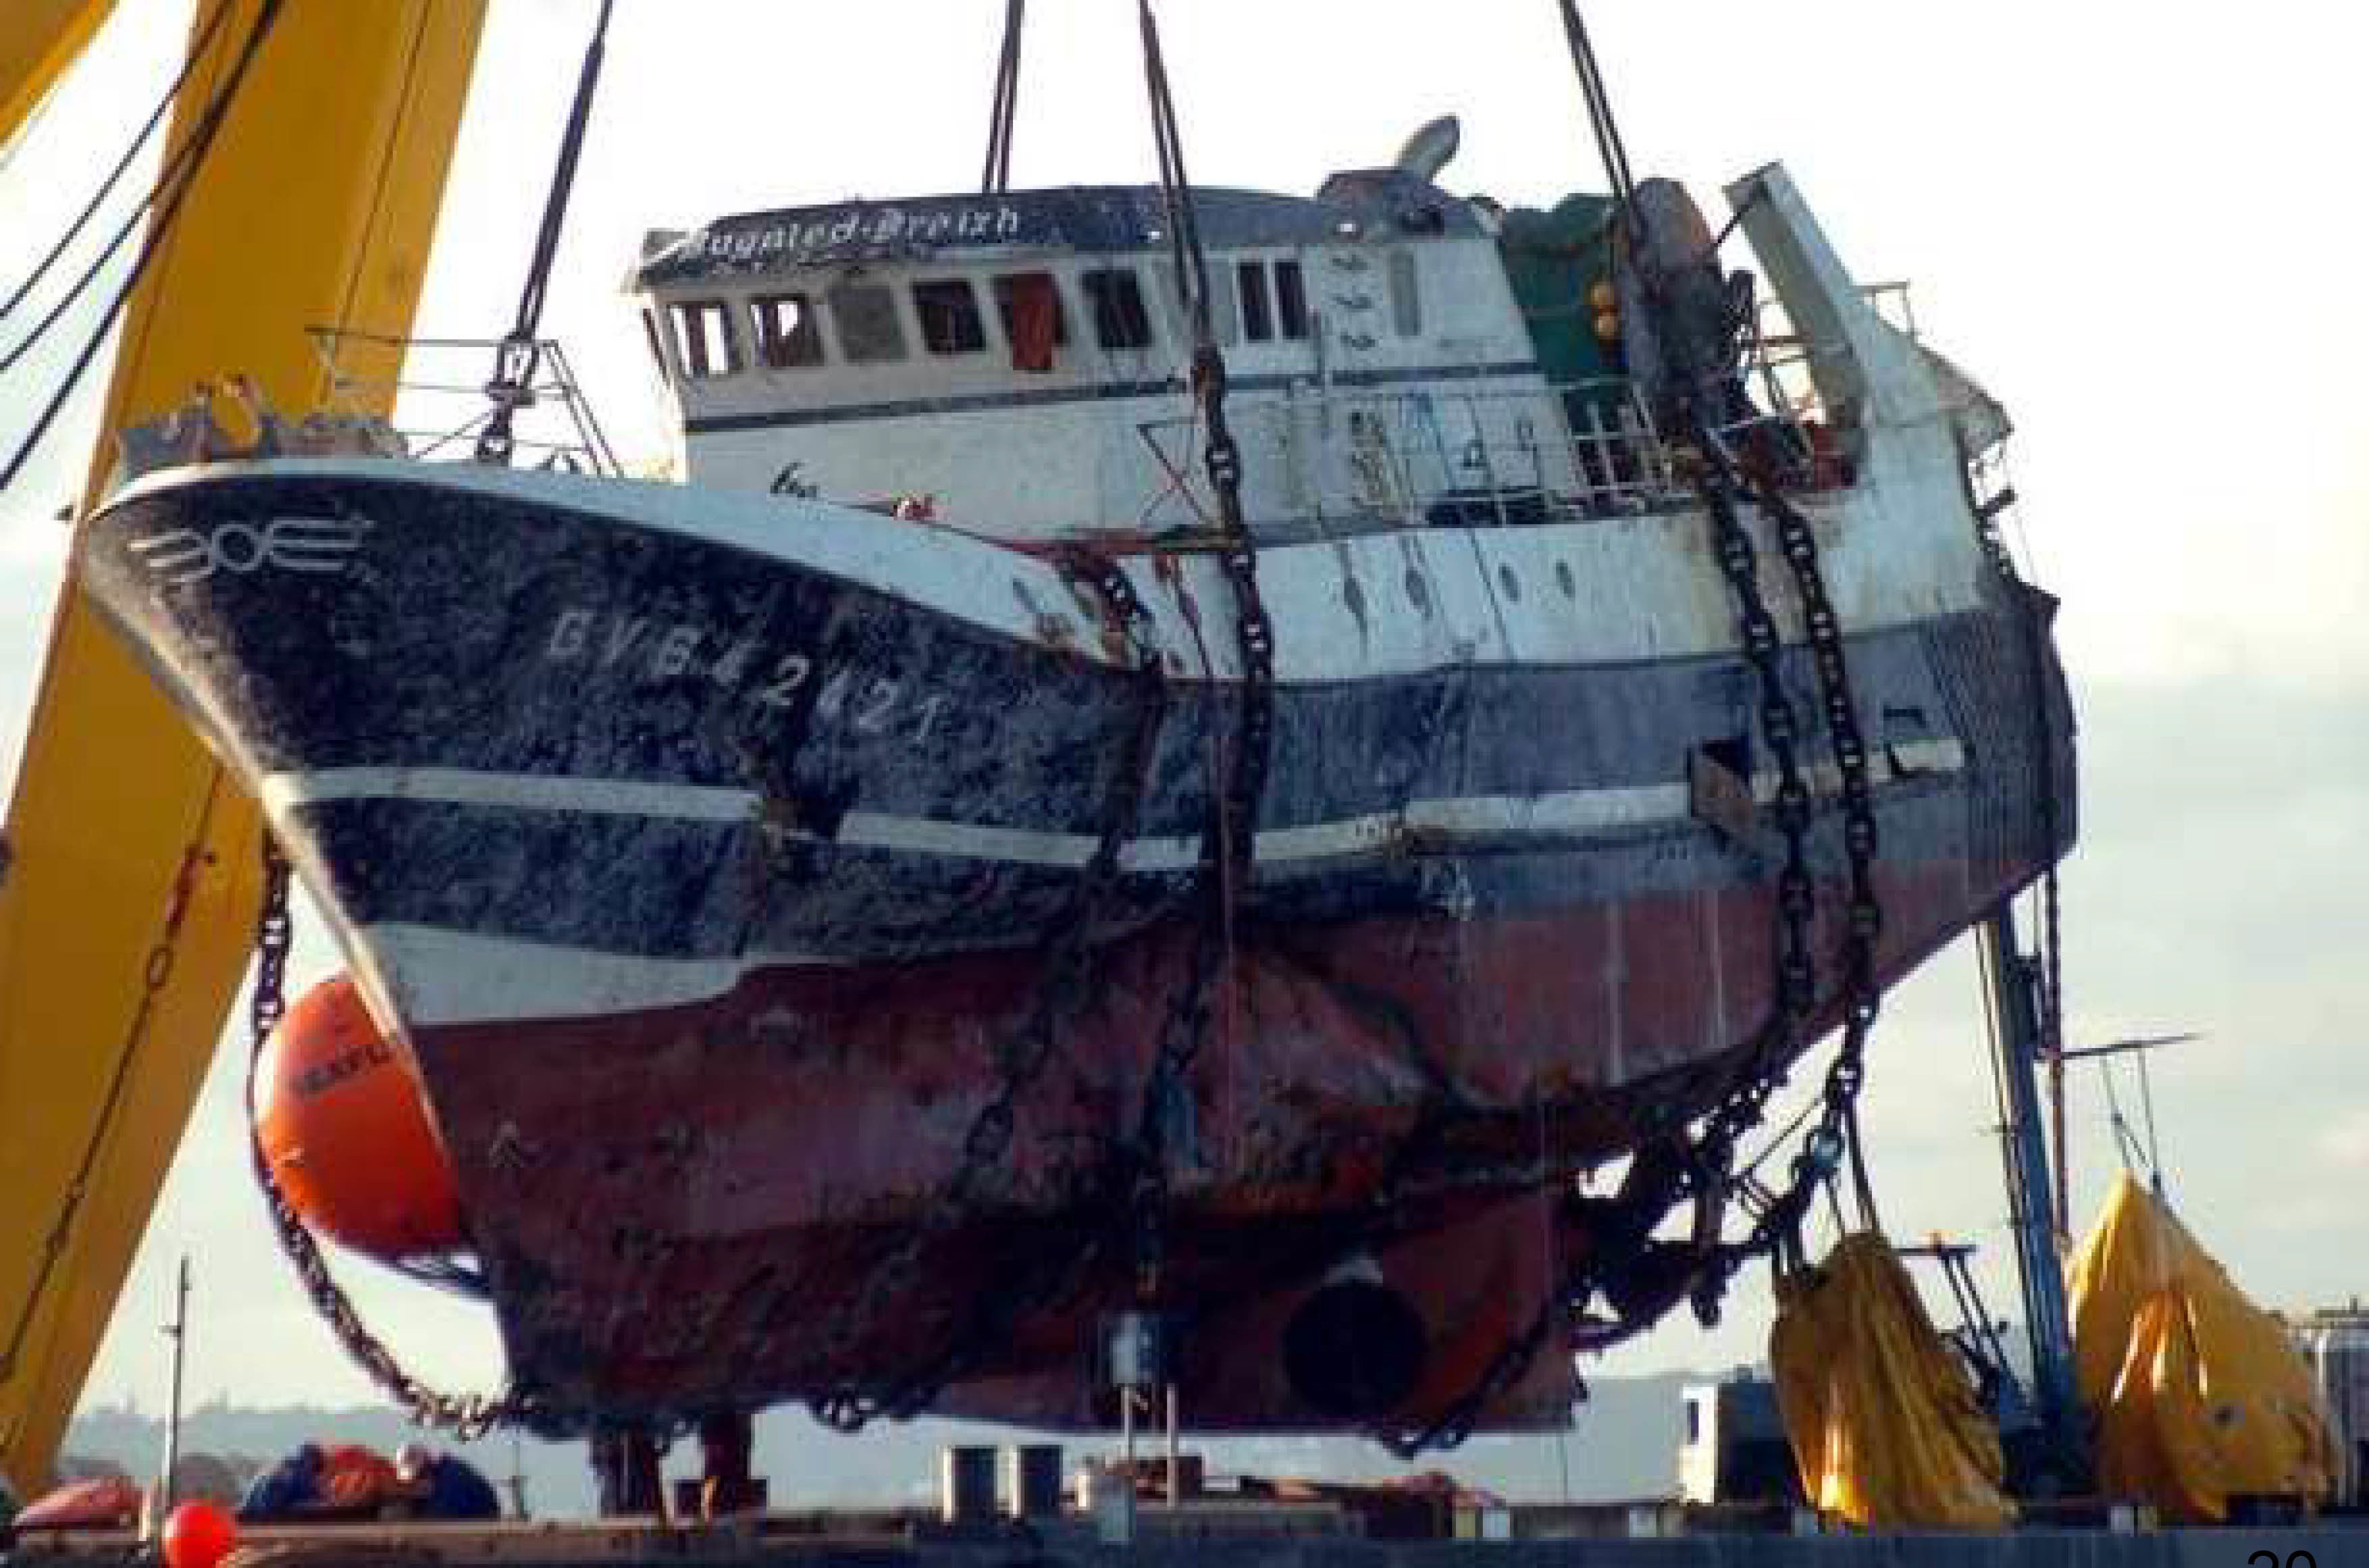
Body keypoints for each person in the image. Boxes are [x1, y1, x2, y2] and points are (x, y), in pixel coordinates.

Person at [392, 1444, 502, 1521]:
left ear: (428, 1464)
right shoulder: (443, 1470)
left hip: (480, 1525)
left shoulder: (454, 1476)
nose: (417, 1481)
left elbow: (443, 1513)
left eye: (419, 1475)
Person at [236, 1444, 326, 1523]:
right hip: (258, 1514)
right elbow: (275, 1504)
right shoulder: (290, 1474)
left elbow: (310, 1496)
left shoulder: (298, 1474)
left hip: (257, 1511)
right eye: (316, 1462)